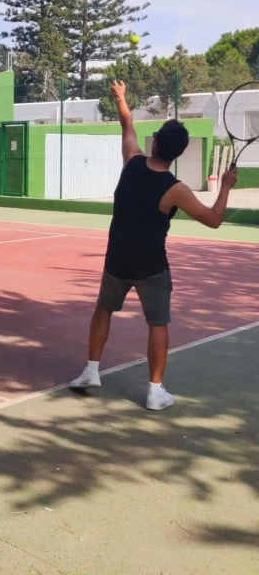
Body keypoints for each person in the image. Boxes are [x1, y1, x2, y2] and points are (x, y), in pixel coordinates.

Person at [70, 80, 238, 410]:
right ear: (177, 153)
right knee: (157, 323)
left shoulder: (132, 161)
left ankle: (91, 371)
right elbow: (214, 219)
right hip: (151, 267)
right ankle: (154, 391)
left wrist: (121, 97)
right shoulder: (176, 189)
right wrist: (226, 187)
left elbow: (127, 123)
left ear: (156, 142)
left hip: (117, 261)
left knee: (103, 310)